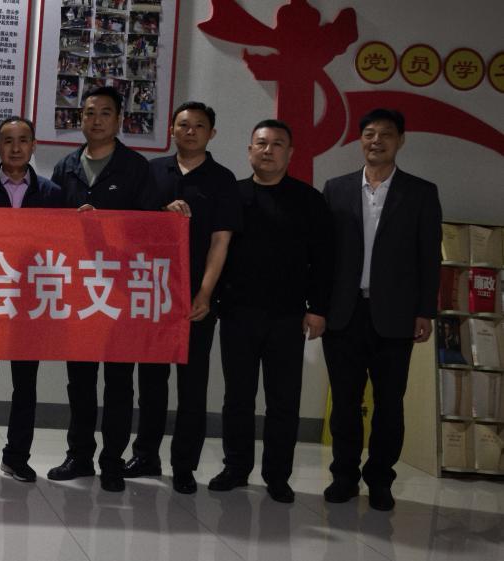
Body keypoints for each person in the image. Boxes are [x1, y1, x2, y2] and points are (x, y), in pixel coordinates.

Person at [322, 109, 441, 511]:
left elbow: (429, 257)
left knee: (389, 404)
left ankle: (380, 480)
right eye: (369, 134)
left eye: (386, 134)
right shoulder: (336, 189)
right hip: (344, 313)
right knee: (345, 402)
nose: (377, 141)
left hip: (396, 315)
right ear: (360, 140)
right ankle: (344, 477)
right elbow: (324, 255)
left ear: (400, 141)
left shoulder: (421, 192)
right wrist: (318, 306)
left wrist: (425, 311)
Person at [209, 119, 332, 503]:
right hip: (237, 313)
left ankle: (278, 475)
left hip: (287, 316)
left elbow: (324, 260)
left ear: (290, 153)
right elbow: (215, 251)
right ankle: (235, 467)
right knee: (238, 397)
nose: (268, 150)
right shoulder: (232, 194)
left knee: (283, 400)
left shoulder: (309, 200)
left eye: (277, 144)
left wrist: (318, 309)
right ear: (249, 150)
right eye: (261, 143)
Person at [124, 102, 239, 494]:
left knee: (192, 386)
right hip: (153, 292)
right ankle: (145, 455)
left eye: (199, 126)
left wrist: (205, 292)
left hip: (196, 299)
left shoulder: (222, 179)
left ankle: (185, 465)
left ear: (211, 134)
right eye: (183, 125)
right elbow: (134, 228)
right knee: (151, 383)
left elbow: (221, 241)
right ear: (171, 129)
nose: (190, 131)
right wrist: (162, 212)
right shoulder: (152, 171)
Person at [48, 86, 157, 492]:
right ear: (80, 119)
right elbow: (51, 227)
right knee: (79, 381)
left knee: (118, 382)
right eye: (89, 113)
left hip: (120, 291)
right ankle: (79, 455)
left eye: (105, 113)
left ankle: (112, 461)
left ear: (119, 119)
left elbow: (147, 229)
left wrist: (104, 224)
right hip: (78, 290)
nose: (96, 120)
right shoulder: (66, 166)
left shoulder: (136, 167)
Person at [0, 117, 67, 483]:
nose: (16, 147)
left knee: (25, 384)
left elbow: (64, 246)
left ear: (34, 146)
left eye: (24, 140)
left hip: (31, 304)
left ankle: (18, 457)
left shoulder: (52, 194)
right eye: (8, 141)